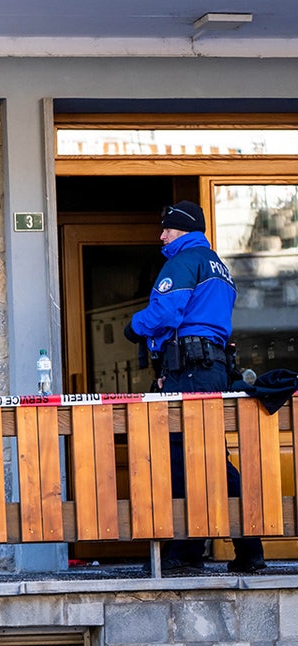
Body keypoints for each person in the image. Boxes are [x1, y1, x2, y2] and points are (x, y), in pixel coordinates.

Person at [123, 200, 266, 574]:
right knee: (212, 457)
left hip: (190, 369)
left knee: (181, 456)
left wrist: (135, 326)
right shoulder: (217, 265)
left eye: (167, 229)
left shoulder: (184, 261)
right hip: (210, 366)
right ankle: (248, 547)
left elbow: (168, 313)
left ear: (182, 229)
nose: (161, 236)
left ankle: (186, 551)